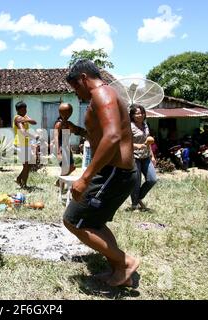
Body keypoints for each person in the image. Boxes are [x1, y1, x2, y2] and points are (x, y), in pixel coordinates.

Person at [62, 59, 139, 287]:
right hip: (115, 171)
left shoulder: (102, 94)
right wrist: (78, 131)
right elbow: (101, 134)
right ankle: (119, 271)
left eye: (76, 86)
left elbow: (113, 137)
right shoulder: (107, 96)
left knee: (73, 220)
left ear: (84, 78)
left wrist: (85, 178)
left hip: (114, 172)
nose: (76, 93)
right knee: (93, 223)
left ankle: (125, 261)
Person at [129, 105, 158, 211]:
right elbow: (125, 143)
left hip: (145, 157)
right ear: (132, 115)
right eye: (137, 113)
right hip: (134, 157)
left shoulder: (145, 125)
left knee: (152, 179)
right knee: (136, 182)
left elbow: (148, 142)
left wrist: (152, 156)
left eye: (142, 112)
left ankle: (138, 198)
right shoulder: (129, 126)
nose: (140, 115)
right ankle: (134, 205)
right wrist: (138, 146)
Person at [13, 101, 37, 188]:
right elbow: (22, 131)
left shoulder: (24, 117)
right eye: (23, 109)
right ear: (18, 110)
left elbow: (34, 122)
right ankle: (23, 184)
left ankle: (19, 179)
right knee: (26, 166)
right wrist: (33, 136)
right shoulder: (17, 118)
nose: (25, 111)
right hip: (20, 144)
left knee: (29, 164)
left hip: (26, 144)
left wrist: (26, 119)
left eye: (25, 109)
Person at [54, 103, 76, 177]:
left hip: (65, 146)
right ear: (61, 113)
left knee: (72, 167)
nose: (67, 115)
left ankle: (59, 182)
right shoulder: (59, 124)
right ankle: (61, 187)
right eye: (65, 113)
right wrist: (58, 152)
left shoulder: (68, 124)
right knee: (65, 168)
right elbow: (56, 137)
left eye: (69, 113)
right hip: (59, 147)